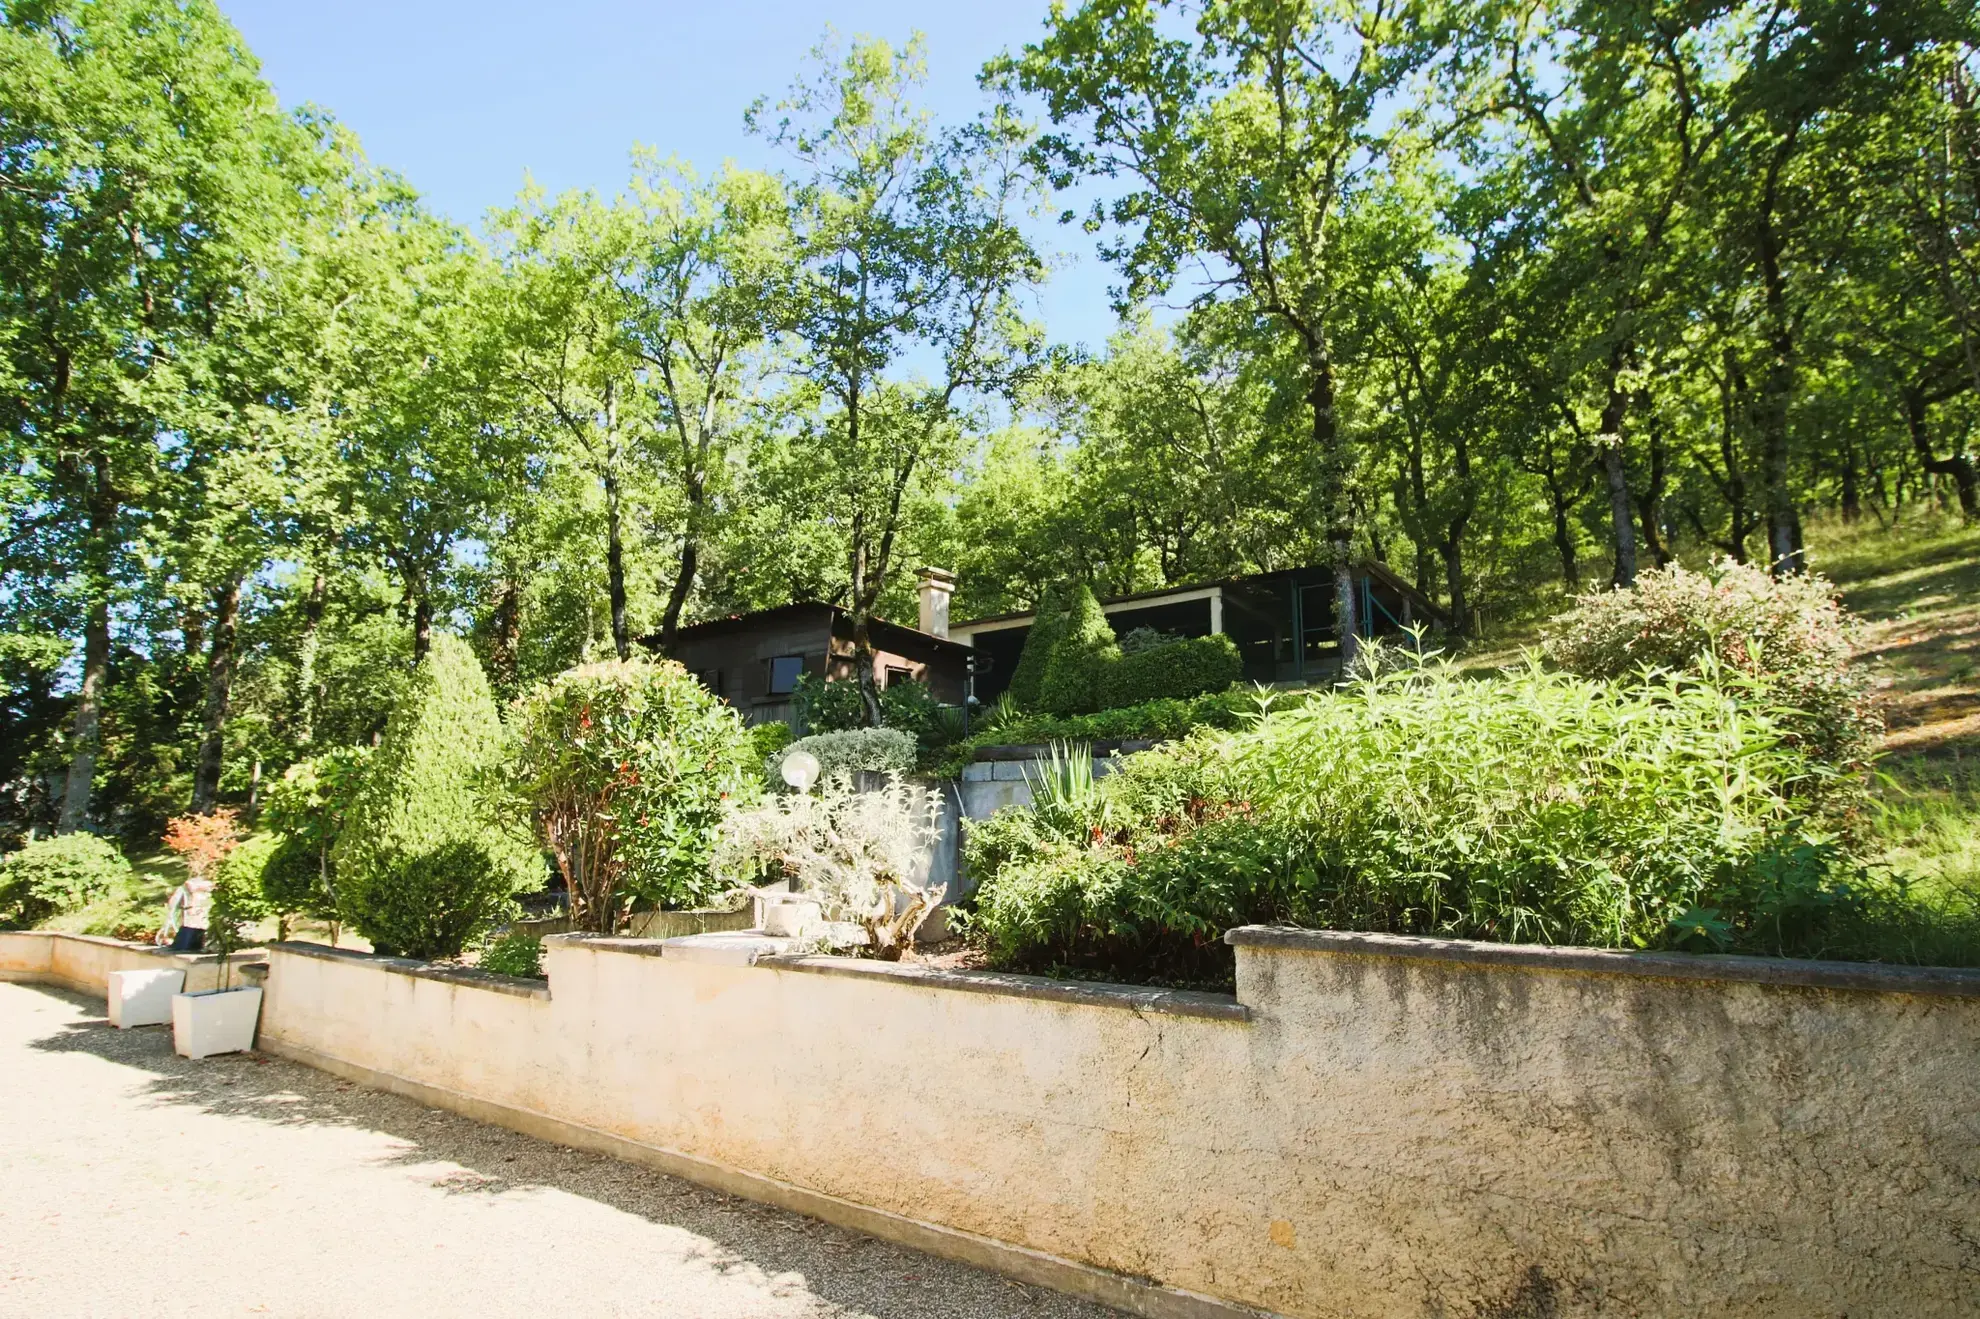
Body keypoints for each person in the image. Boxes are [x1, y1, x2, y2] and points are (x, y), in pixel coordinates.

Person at [157, 875, 215, 952]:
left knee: (193, 928)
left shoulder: (195, 885)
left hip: (195, 915)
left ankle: (189, 945)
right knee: (192, 928)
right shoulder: (191, 884)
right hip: (193, 915)